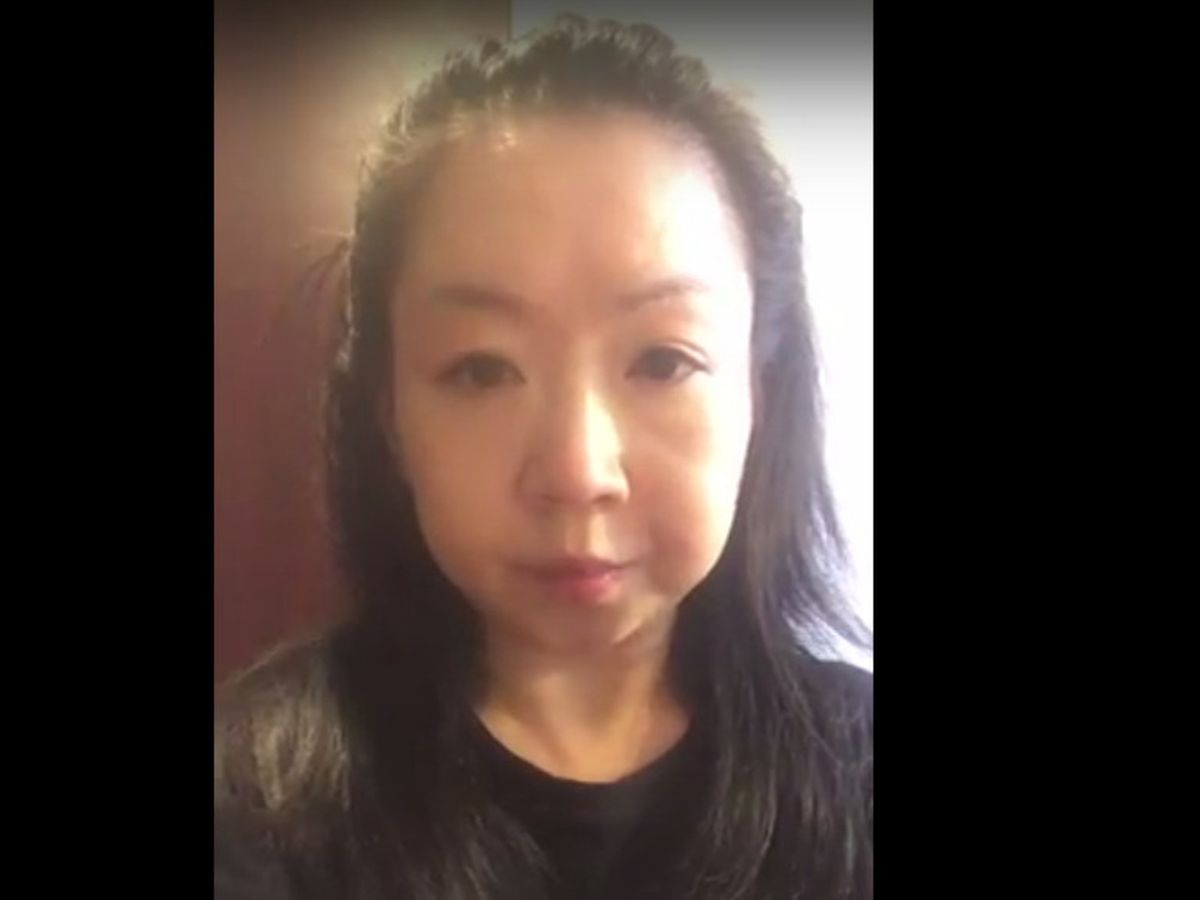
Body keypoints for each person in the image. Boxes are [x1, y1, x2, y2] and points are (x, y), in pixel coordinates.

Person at [214, 14, 873, 900]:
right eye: (482, 369)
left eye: (663, 361)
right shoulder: (252, 809)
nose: (576, 473)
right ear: (389, 415)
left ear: (759, 396)